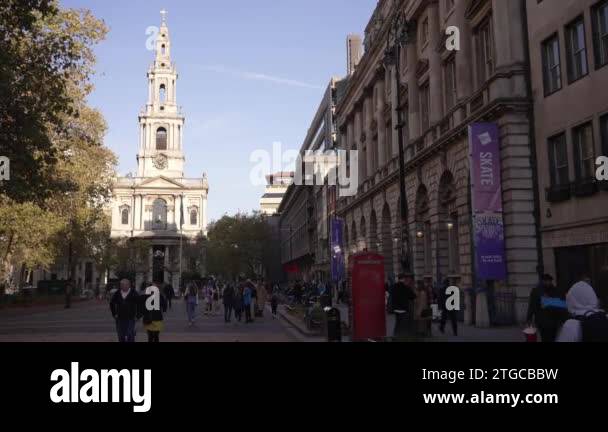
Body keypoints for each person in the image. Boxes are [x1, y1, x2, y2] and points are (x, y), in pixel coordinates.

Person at [526, 274, 569, 343]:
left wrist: (564, 318)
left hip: (553, 320)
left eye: (549, 281)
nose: (548, 282)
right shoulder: (536, 291)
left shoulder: (556, 290)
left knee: (552, 337)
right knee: (545, 337)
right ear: (542, 281)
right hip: (542, 320)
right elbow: (532, 306)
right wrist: (529, 319)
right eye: (546, 281)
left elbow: (561, 304)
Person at [392, 273, 417, 339]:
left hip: (396, 309)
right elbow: (413, 296)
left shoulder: (394, 286)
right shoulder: (405, 287)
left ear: (398, 278)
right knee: (404, 326)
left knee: (397, 323)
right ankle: (402, 338)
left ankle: (395, 336)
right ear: (404, 278)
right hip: (403, 309)